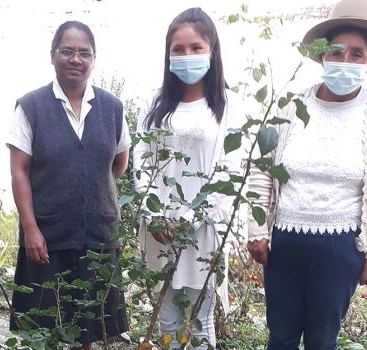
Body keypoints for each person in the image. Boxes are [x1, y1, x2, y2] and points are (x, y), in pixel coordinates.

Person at [246, 0, 367, 349]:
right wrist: (256, 230)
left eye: (356, 55)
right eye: (336, 52)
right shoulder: (289, 108)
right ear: (321, 57)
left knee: (322, 338)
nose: (344, 61)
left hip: (341, 247)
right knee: (281, 335)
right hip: (284, 243)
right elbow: (263, 169)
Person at [6, 20, 130, 350]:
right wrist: (30, 228)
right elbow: (19, 171)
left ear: (93, 58)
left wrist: (87, 189)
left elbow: (119, 162)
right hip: (46, 237)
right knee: (43, 327)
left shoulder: (112, 108)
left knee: (87, 330)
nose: (75, 59)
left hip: (97, 236)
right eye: (67, 51)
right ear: (53, 55)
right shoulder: (31, 107)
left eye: (83, 53)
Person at [132, 7, 244, 349]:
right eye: (178, 49)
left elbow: (229, 171)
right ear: (168, 54)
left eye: (196, 48)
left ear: (212, 50)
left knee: (199, 320)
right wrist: (154, 214)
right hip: (158, 229)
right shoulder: (155, 103)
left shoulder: (226, 106)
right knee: (166, 319)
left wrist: (190, 220)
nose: (186, 55)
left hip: (203, 233)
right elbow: (140, 159)